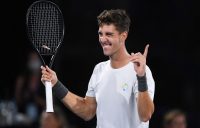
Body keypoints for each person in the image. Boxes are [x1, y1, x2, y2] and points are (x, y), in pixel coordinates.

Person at [41, 9, 155, 128]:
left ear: (123, 36)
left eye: (109, 34)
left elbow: (145, 115)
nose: (103, 39)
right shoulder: (99, 70)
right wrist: (56, 84)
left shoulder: (141, 71)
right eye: (101, 34)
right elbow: (87, 111)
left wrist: (141, 77)